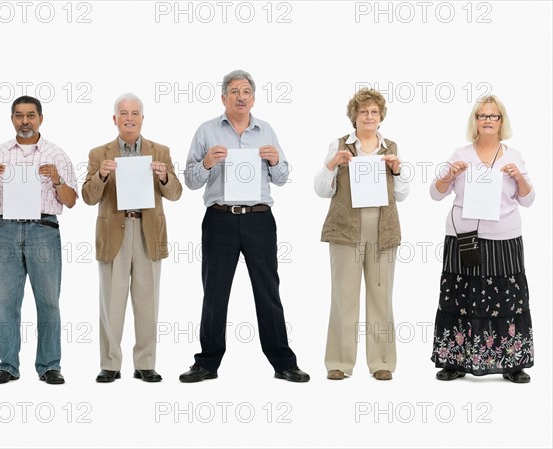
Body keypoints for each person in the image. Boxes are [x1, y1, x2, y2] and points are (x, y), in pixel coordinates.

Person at [181, 69, 309, 383]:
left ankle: (283, 362)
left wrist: (277, 161)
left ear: (253, 98)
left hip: (259, 220)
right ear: (223, 97)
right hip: (220, 219)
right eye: (234, 91)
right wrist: (206, 163)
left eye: (246, 92)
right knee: (214, 293)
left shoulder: (266, 130)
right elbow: (190, 180)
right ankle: (207, 363)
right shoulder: (206, 131)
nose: (241, 96)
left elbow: (282, 177)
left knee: (268, 292)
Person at [430, 95, 535, 383]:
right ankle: (454, 361)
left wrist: (519, 178)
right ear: (475, 122)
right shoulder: (460, 154)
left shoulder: (513, 156)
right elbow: (436, 193)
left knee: (507, 298)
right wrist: (449, 174)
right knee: (461, 295)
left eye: (493, 116)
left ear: (502, 122)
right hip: (464, 236)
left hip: (504, 237)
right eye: (482, 115)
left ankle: (513, 364)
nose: (487, 120)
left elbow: (528, 200)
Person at [0, 96, 78, 385]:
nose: (25, 121)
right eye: (19, 116)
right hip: (6, 230)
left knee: (48, 301)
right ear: (12, 120)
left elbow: (71, 202)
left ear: (41, 119)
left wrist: (57, 180)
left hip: (43, 229)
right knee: (4, 301)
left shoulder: (56, 155)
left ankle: (49, 366)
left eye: (31, 115)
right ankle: (7, 366)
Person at [82, 93, 182, 383]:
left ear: (142, 118)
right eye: (123, 113)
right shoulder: (99, 153)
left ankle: (145, 363)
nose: (129, 118)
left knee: (147, 301)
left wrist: (164, 177)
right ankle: (110, 364)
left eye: (134, 113)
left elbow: (175, 194)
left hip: (148, 231)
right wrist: (100, 176)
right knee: (111, 302)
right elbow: (88, 197)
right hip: (114, 232)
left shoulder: (160, 151)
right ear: (114, 119)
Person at [314, 88, 409, 381]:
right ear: (354, 115)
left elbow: (403, 195)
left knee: (381, 297)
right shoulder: (339, 145)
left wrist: (398, 171)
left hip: (382, 229)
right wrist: (332, 165)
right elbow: (321, 190)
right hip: (345, 231)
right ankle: (339, 362)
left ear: (380, 117)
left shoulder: (391, 146)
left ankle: (382, 361)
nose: (369, 116)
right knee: (344, 297)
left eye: (374, 112)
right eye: (363, 111)